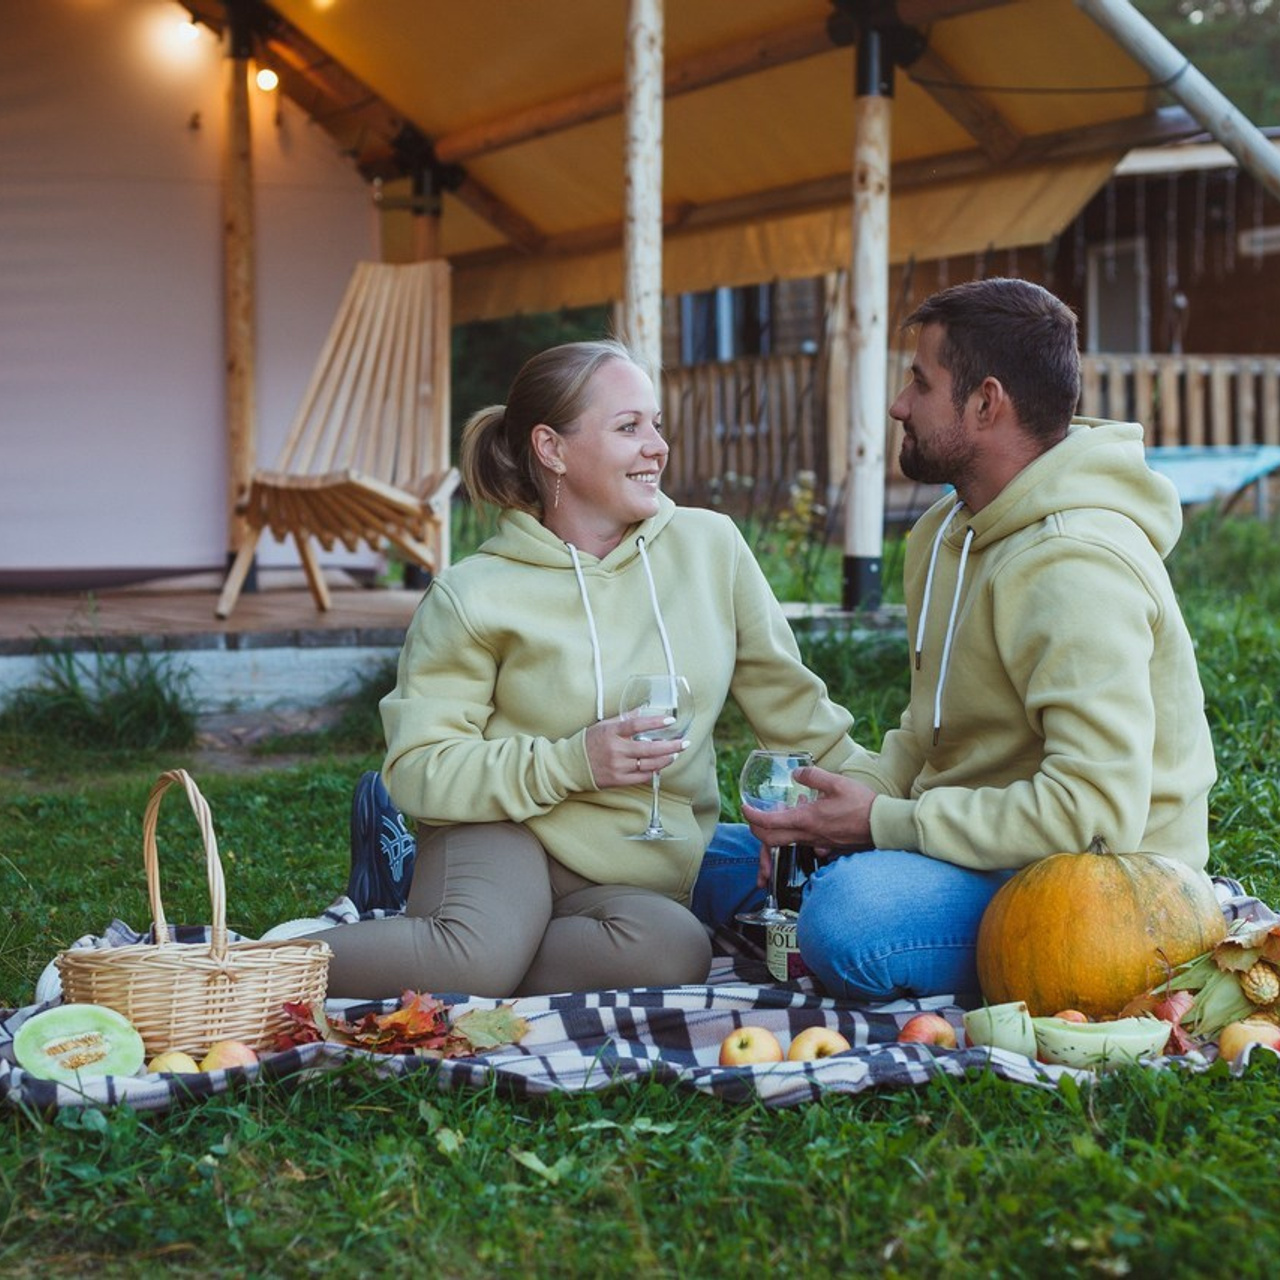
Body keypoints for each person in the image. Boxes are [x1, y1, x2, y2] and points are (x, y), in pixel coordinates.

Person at [309, 337, 862, 1000]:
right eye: (629, 428)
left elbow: (797, 714)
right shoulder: (474, 592)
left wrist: (875, 806)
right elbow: (417, 766)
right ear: (552, 449)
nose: (656, 446)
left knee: (673, 949)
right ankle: (236, 963)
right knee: (472, 960)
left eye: (656, 425)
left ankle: (461, 925)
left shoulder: (712, 549)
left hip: (625, 867)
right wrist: (575, 763)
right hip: (503, 826)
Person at [742, 277, 1217, 1006]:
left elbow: (1092, 815)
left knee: (845, 918)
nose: (900, 404)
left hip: (1102, 887)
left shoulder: (1074, 566)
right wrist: (848, 806)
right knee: (724, 855)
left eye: (919, 382)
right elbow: (926, 733)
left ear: (986, 402)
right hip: (975, 844)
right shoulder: (944, 534)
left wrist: (882, 825)